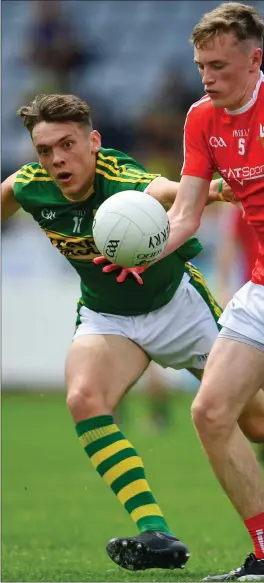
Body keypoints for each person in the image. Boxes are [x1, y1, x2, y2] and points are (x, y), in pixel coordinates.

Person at [2, 93, 263, 574]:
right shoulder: (25, 187)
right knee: (84, 398)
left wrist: (218, 190)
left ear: (93, 141)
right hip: (109, 318)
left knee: (255, 423)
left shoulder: (121, 180)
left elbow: (167, 189)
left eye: (68, 144)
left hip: (179, 310)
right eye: (45, 150)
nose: (58, 158)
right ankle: (155, 532)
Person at [112, 2, 264, 580]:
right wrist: (147, 253)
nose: (207, 77)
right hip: (260, 287)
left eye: (220, 66)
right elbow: (187, 212)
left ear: (255, 61)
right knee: (211, 411)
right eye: (201, 65)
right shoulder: (202, 118)